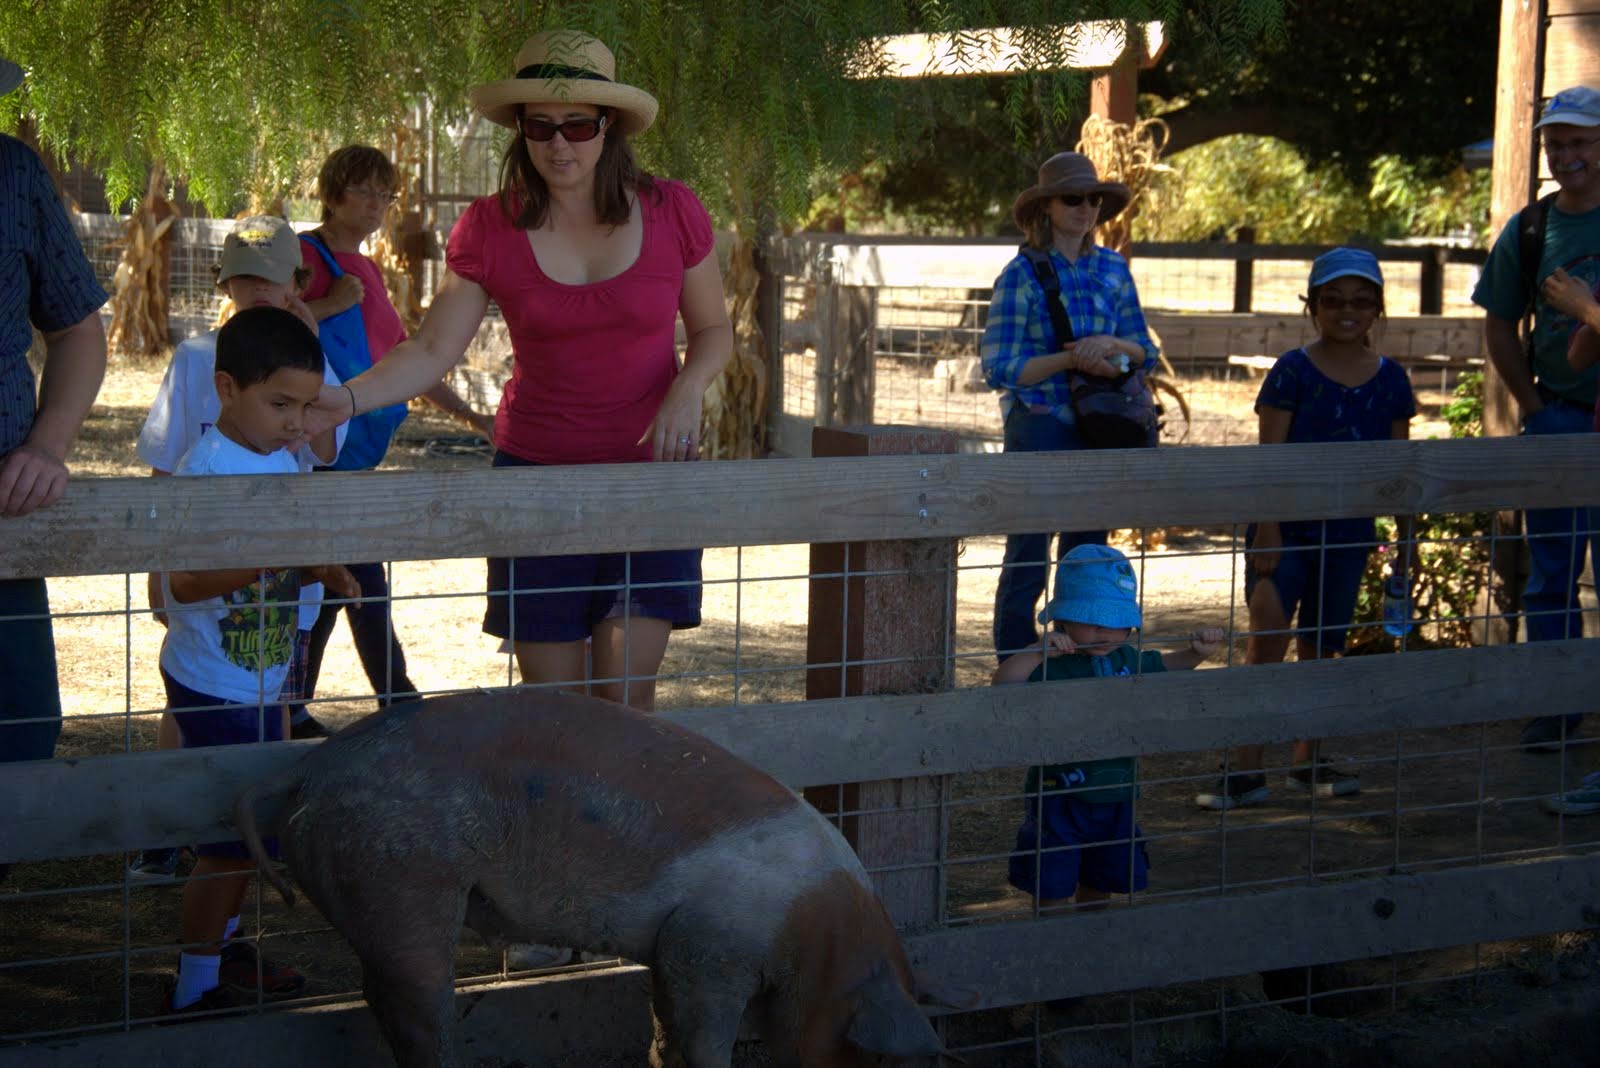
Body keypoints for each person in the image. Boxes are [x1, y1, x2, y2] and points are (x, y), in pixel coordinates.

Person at [300, 30, 732, 715]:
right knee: (553, 707)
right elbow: (430, 350)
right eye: (540, 126)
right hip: (534, 480)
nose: (559, 144)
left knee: (625, 701)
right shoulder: (489, 226)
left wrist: (687, 389)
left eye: (577, 125)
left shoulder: (671, 208)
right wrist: (344, 400)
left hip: (651, 479)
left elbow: (713, 332)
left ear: (609, 127)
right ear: (521, 131)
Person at [127, 215, 347, 882]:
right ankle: (168, 837)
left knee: (271, 703)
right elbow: (166, 463)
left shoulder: (309, 357)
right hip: (219, 575)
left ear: (296, 285)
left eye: (269, 280)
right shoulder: (198, 358)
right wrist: (158, 569)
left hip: (281, 592)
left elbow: (325, 450)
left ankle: (244, 844)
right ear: (225, 283)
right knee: (196, 705)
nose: (256, 291)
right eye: (243, 279)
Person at [156, 305, 356, 1013]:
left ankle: (221, 956)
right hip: (218, 682)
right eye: (280, 405)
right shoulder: (208, 470)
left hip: (262, 675)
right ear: (226, 388)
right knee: (228, 843)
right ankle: (194, 988)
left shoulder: (278, 455)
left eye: (305, 406)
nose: (297, 423)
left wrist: (316, 570)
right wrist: (281, 560)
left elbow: (278, 561)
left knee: (245, 830)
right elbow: (182, 583)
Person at [1194, 248, 1416, 811]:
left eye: (1361, 301)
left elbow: (1400, 470)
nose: (1347, 311)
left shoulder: (1392, 380)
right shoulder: (1291, 371)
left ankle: (1306, 760)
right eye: (1333, 301)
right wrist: (1267, 529)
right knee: (1267, 637)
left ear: (1377, 308)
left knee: (1322, 648)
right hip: (1284, 533)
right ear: (1313, 306)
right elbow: (1270, 460)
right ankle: (1247, 767)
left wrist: (1405, 540)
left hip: (1349, 536)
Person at [297, 145, 492, 724]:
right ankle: (396, 701)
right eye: (365, 192)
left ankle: (302, 704)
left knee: (339, 585)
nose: (377, 205)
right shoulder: (305, 256)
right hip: (319, 453)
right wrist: (329, 304)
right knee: (354, 583)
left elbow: (407, 360)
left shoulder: (366, 269)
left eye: (385, 195)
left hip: (355, 456)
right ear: (332, 194)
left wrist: (471, 417)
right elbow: (262, 323)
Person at [980, 151, 1159, 667]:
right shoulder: (1021, 274)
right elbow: (999, 366)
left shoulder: (1114, 268)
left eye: (1094, 199)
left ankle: (1078, 666)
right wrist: (1071, 358)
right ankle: (1017, 667)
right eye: (1073, 198)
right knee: (1028, 553)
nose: (1086, 209)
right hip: (1040, 425)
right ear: (1047, 207)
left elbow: (1146, 351)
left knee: (1087, 556)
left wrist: (1112, 346)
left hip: (1103, 426)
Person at [0, 50, 109, 869]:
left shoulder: (14, 174)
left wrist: (48, 444)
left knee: (20, 734)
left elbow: (77, 330)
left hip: (5, 525)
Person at [1473, 86, 1600, 753]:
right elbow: (1498, 324)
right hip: (1559, 418)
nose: (1565, 155)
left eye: (1580, 142)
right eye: (1555, 143)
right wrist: (1535, 407)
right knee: (1551, 572)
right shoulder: (1530, 230)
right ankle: (1556, 707)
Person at [1000, 544, 1224, 912]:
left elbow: (1165, 668)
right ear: (1063, 618)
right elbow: (1003, 685)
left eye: (1116, 622)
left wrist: (1195, 654)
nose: (1106, 632)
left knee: (1101, 879)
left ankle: (1092, 936)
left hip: (1117, 794)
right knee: (1052, 880)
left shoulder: (1128, 658)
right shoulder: (1050, 661)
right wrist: (1036, 651)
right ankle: (1052, 939)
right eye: (1093, 621)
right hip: (1058, 797)